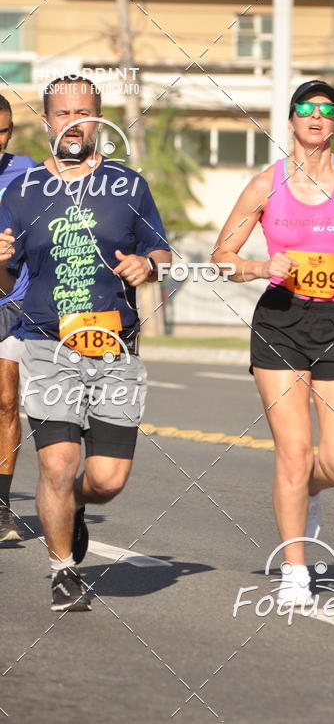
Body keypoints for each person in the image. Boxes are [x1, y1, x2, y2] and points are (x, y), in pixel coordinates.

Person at [213, 79, 334, 607]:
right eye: (306, 110)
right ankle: (295, 567)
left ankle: (306, 494)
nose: (316, 118)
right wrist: (258, 266)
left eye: (327, 112)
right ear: (290, 120)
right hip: (280, 321)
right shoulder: (263, 186)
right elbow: (222, 256)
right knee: (293, 454)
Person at [0, 76, 171, 611]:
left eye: (84, 113)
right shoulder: (20, 194)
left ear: (98, 121)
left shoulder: (128, 186)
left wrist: (149, 264)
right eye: (62, 113)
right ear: (47, 123)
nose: (73, 123)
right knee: (56, 465)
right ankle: (62, 571)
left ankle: (71, 507)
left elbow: (163, 252)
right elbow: (7, 281)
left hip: (114, 344)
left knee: (106, 479)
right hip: (46, 342)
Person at [0, 95, 36, 542]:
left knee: (7, 401)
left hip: (11, 301)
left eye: (4, 130)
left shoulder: (26, 172)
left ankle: (2, 507)